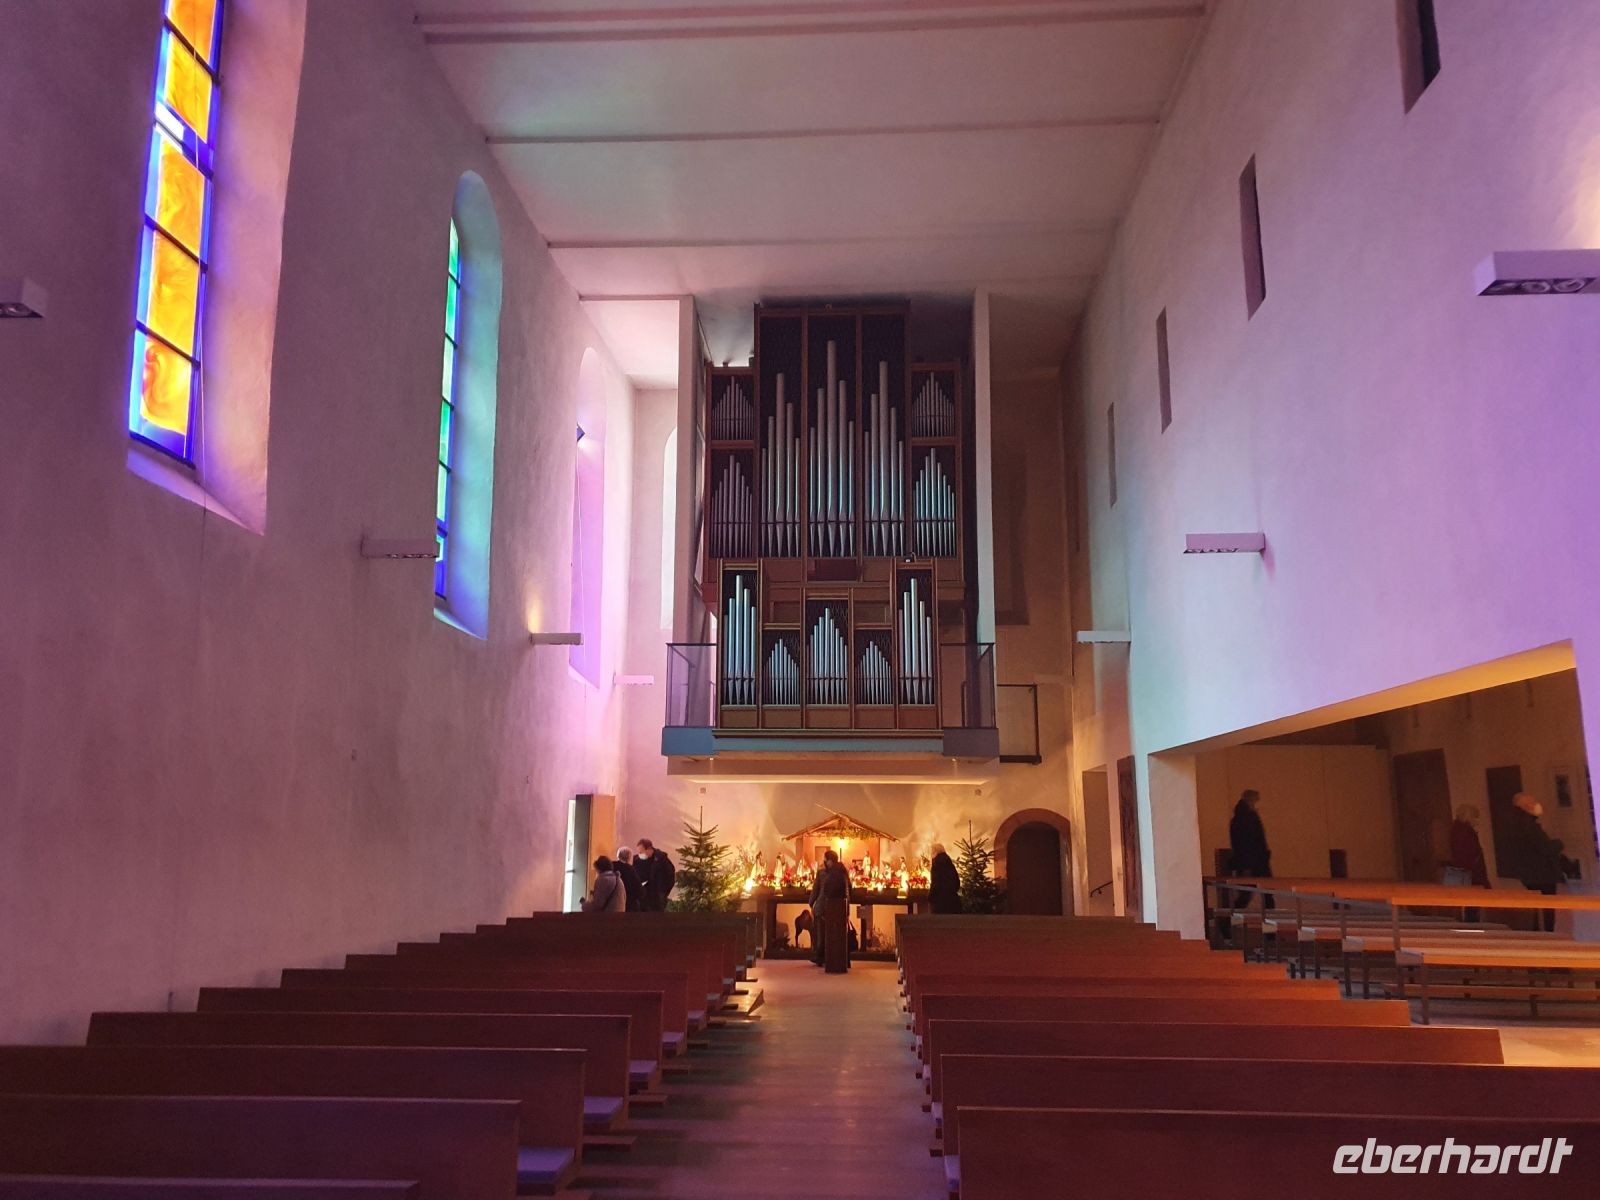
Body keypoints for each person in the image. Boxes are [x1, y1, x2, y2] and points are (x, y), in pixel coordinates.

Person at [1507, 793, 1564, 932]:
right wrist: (1558, 844)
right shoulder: (1528, 826)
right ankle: (1546, 937)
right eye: (1531, 804)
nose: (1536, 805)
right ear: (1525, 807)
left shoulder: (1516, 825)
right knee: (1546, 912)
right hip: (1541, 874)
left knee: (1538, 911)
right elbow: (1544, 848)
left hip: (1530, 874)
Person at [1228, 789, 1274, 911]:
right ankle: (1269, 929)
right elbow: (1248, 843)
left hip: (1250, 862)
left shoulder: (1240, 818)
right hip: (1255, 863)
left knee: (1249, 895)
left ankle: (1226, 921)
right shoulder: (1247, 818)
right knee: (1264, 895)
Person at [1446, 804, 1490, 921]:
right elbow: (1469, 855)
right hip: (1471, 874)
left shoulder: (1457, 830)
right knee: (1471, 907)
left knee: (1469, 906)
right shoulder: (1465, 832)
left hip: (1464, 874)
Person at [813, 849, 852, 974]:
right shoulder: (842, 872)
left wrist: (811, 903)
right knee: (835, 935)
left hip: (829, 907)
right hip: (837, 907)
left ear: (829, 860)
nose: (824, 862)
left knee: (822, 934)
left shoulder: (826, 873)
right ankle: (836, 958)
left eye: (825, 859)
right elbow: (847, 891)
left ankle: (822, 957)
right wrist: (847, 908)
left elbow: (819, 890)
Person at [635, 838, 677, 912]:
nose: (639, 854)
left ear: (649, 849)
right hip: (645, 894)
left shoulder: (661, 859)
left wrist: (663, 891)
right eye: (638, 852)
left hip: (659, 894)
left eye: (641, 852)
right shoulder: (637, 860)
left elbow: (670, 874)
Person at [928, 842, 961, 914]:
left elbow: (935, 883)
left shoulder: (936, 864)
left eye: (931, 852)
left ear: (935, 852)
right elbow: (957, 882)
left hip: (940, 903)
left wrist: (931, 897)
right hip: (953, 901)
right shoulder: (949, 863)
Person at [613, 846, 643, 912]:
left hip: (612, 906)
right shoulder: (630, 871)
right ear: (629, 858)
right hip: (628, 906)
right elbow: (639, 891)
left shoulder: (611, 868)